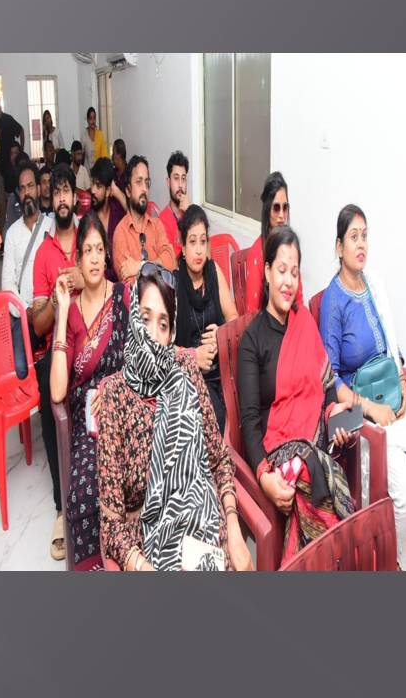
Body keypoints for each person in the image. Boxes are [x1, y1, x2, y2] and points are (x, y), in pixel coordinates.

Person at [97, 266, 253, 571]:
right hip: (149, 549)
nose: (153, 335)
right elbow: (111, 523)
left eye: (163, 324)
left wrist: (234, 529)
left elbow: (219, 460)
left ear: (171, 334)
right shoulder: (115, 396)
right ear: (133, 319)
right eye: (145, 318)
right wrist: (143, 568)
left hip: (206, 526)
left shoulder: (186, 372)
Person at [238, 226, 355, 564]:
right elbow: (249, 422)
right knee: (304, 467)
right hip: (276, 450)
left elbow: (326, 387)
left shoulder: (304, 324)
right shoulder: (252, 341)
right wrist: (264, 476)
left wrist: (334, 413)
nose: (288, 281)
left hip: (314, 442)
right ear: (267, 272)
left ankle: (309, 561)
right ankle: (345, 547)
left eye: (294, 272)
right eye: (281, 270)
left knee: (308, 466)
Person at [319, 205, 406, 570]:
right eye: (353, 236)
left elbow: (391, 347)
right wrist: (370, 408)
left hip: (395, 401)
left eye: (365, 235)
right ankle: (397, 566)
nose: (361, 243)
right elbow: (330, 378)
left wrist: (401, 378)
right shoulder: (333, 301)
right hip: (366, 417)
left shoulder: (373, 287)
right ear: (339, 247)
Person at [49, 213, 131, 566]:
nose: (95, 258)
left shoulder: (123, 298)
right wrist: (63, 312)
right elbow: (57, 392)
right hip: (89, 423)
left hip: (125, 409)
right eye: (88, 251)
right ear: (78, 259)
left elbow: (139, 363)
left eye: (100, 250)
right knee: (84, 492)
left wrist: (112, 391)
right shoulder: (73, 312)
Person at [30, 164, 83, 560]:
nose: (63, 198)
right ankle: (62, 504)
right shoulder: (43, 253)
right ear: (52, 200)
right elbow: (37, 325)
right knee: (49, 394)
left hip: (89, 336)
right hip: (58, 346)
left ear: (75, 198)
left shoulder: (89, 239)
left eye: (68, 191)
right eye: (58, 192)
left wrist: (83, 278)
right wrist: (55, 298)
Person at [173, 206, 238, 434]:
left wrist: (220, 335)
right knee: (216, 415)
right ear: (183, 247)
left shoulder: (213, 271)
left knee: (245, 405)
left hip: (221, 367)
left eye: (203, 241)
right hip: (190, 375)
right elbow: (163, 347)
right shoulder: (173, 284)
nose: (199, 250)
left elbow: (233, 318)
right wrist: (194, 356)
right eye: (192, 242)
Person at [2, 161, 53, 379]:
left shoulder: (51, 226)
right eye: (22, 189)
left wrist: (47, 309)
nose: (27, 193)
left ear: (39, 189)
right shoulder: (12, 234)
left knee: (59, 360)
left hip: (52, 310)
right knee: (19, 367)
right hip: (24, 315)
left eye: (30, 186)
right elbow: (7, 286)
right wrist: (27, 312)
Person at [244, 171, 303, 313]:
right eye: (276, 208)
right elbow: (252, 314)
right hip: (265, 325)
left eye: (285, 207)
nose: (282, 215)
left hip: (290, 322)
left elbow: (299, 302)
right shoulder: (257, 254)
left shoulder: (291, 249)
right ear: (267, 209)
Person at [111, 155, 175, 284]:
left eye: (147, 182)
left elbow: (170, 262)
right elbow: (130, 283)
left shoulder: (157, 225)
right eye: (139, 182)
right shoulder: (121, 232)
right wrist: (158, 266)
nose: (145, 189)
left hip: (165, 296)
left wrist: (139, 266)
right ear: (128, 191)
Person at [88, 157, 118, 282]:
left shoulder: (117, 214)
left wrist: (116, 191)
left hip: (119, 285)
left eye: (98, 186)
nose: (93, 190)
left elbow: (134, 216)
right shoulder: (88, 220)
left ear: (108, 191)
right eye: (92, 184)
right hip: (96, 285)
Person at [0, 95, 24, 197]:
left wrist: (21, 150)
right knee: (4, 194)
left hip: (10, 163)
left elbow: (21, 131)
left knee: (14, 192)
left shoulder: (7, 119)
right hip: (1, 163)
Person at [158, 150, 190, 257]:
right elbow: (172, 262)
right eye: (176, 178)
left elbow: (206, 252)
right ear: (168, 182)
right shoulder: (162, 221)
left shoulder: (192, 212)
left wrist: (190, 213)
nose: (180, 185)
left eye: (183, 179)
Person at [107, 139, 129, 239]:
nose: (112, 156)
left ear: (119, 155)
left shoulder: (129, 174)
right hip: (111, 219)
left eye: (114, 153)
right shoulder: (112, 173)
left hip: (125, 220)